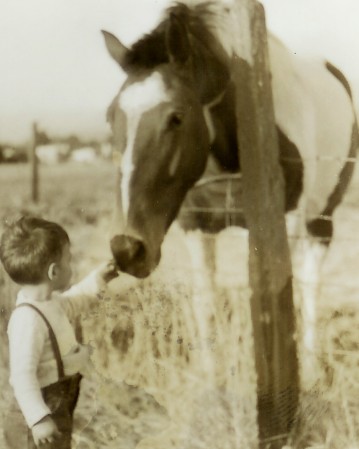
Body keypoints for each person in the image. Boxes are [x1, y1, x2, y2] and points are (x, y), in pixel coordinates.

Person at [0, 215, 122, 448]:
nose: (71, 266)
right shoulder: (28, 320)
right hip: (37, 415)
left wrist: (99, 278)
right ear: (54, 272)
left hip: (59, 404)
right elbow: (22, 376)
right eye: (69, 260)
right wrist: (38, 418)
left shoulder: (51, 303)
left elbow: (77, 299)